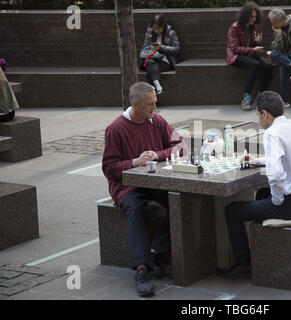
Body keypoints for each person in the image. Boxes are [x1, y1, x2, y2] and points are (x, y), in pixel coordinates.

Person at [220, 91, 291, 278]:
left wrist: (277, 201)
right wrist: (258, 161)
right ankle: (265, 250)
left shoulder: (272, 133)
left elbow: (276, 174)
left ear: (264, 114)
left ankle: (244, 263)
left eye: (258, 115)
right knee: (261, 194)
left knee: (232, 211)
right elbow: (289, 158)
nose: (258, 120)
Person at [102, 82, 187, 297]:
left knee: (182, 199)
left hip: (156, 182)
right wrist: (134, 162)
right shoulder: (116, 129)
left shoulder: (157, 121)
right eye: (150, 104)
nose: (154, 108)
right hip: (126, 186)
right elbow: (109, 169)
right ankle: (141, 269)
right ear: (135, 104)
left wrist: (158, 155)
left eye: (155, 103)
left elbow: (181, 146)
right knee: (135, 208)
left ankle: (157, 250)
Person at [226, 1, 274, 111]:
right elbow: (234, 48)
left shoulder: (255, 27)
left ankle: (260, 97)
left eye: (255, 17)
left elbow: (255, 45)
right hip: (236, 55)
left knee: (268, 66)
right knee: (255, 65)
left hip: (250, 53)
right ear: (245, 16)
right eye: (251, 17)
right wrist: (253, 49)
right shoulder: (234, 28)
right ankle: (246, 99)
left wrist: (258, 43)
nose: (253, 19)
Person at [139, 14, 180, 95]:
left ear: (163, 26)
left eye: (159, 28)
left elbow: (176, 48)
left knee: (150, 69)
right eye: (154, 28)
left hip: (165, 61)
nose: (157, 30)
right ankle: (158, 87)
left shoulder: (170, 33)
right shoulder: (150, 34)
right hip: (151, 59)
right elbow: (144, 48)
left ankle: (154, 90)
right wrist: (150, 48)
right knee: (150, 64)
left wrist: (161, 48)